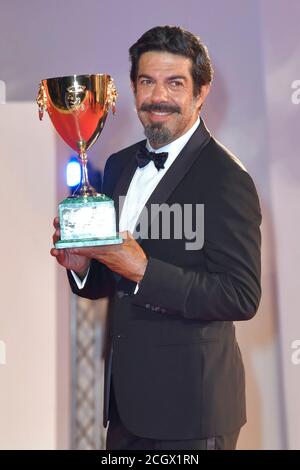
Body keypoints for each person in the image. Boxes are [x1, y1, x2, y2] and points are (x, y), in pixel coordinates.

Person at [51, 26, 261, 450]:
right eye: (147, 81)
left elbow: (240, 295)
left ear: (201, 92)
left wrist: (145, 270)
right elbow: (115, 281)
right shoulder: (118, 165)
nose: (157, 96)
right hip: (126, 410)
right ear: (132, 88)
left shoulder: (227, 178)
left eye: (175, 83)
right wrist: (84, 269)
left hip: (193, 414)